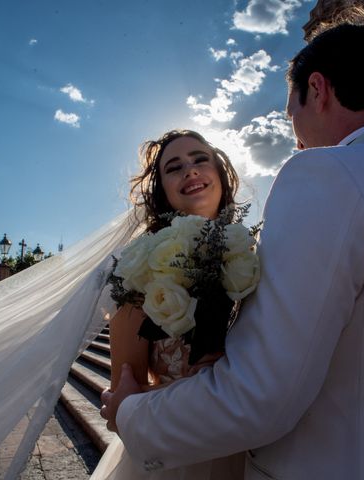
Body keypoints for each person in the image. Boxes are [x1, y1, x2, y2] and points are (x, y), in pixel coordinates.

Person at [100, 8, 364, 479]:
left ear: (317, 90)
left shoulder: (325, 177)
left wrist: (132, 413)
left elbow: (260, 394)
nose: (292, 127)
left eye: (289, 107)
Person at [91, 129, 246, 479]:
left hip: (253, 448)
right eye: (174, 167)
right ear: (163, 192)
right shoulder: (139, 268)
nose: (190, 170)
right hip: (180, 458)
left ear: (220, 174)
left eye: (200, 159)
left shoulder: (253, 254)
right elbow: (121, 407)